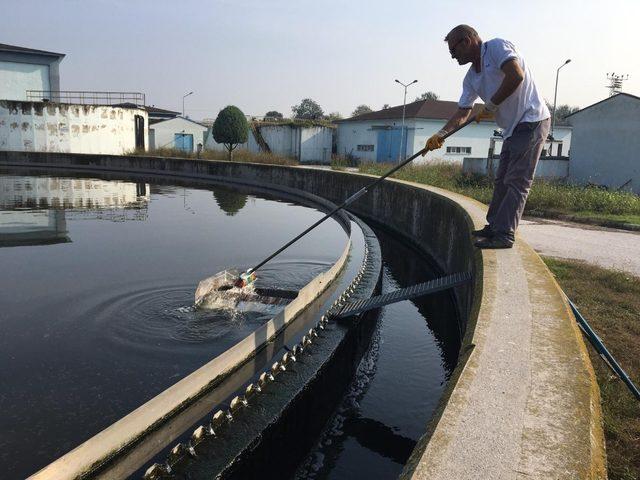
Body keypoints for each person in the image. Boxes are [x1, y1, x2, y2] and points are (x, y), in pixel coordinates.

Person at [425, 25, 550, 249]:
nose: (453, 57)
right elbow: (463, 111)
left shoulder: (496, 47)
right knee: (501, 180)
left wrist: (491, 105)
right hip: (511, 128)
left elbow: (516, 75)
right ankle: (494, 227)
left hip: (531, 119)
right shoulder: (471, 77)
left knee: (517, 181)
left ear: (467, 41)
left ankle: (505, 234)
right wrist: (441, 134)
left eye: (454, 51)